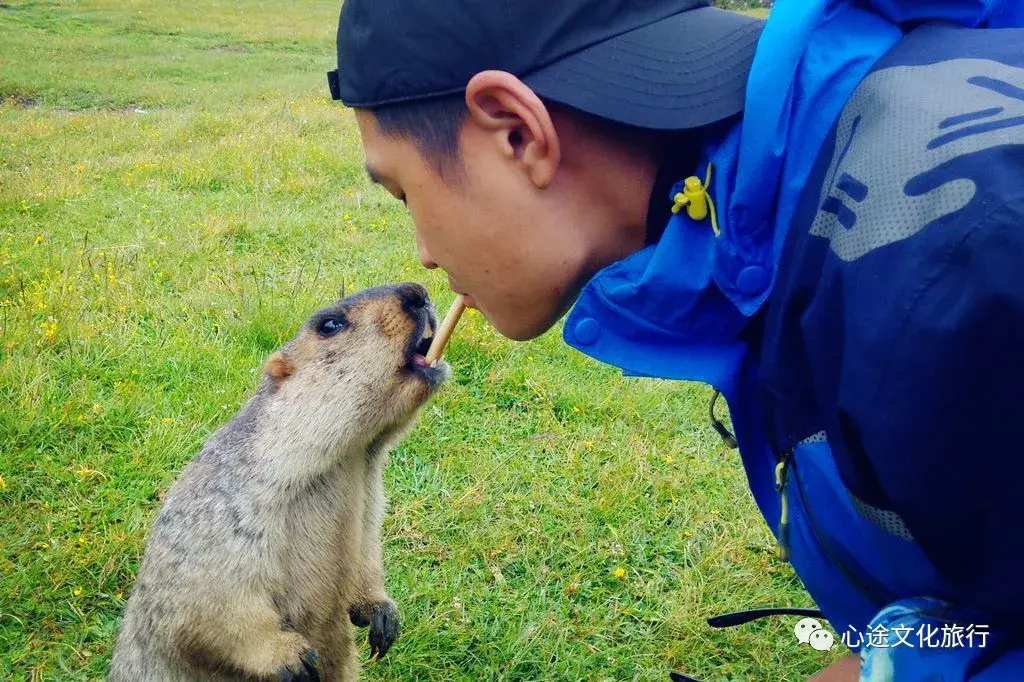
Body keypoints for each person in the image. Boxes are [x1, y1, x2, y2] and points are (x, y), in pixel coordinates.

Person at [327, 0, 1024, 679]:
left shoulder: (948, 271)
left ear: (517, 132)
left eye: (402, 194)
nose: (421, 252)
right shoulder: (796, 202)